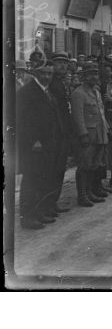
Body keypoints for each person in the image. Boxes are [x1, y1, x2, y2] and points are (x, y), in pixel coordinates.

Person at [16, 62, 64, 229]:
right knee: (31, 181)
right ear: (36, 73)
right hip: (33, 147)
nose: (46, 77)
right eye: (43, 73)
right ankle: (27, 217)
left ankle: (39, 212)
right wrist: (33, 140)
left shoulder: (46, 91)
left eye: (49, 74)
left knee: (43, 179)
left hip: (48, 144)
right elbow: (21, 121)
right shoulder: (27, 92)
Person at [71, 61, 109, 207]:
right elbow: (78, 117)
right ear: (84, 76)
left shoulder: (96, 91)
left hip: (99, 133)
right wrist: (83, 134)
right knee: (84, 166)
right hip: (87, 135)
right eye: (90, 74)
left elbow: (101, 113)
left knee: (95, 164)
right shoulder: (78, 94)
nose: (94, 77)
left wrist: (106, 129)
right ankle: (82, 195)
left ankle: (91, 192)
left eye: (95, 74)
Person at [46, 51, 73, 217]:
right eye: (59, 63)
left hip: (63, 131)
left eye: (65, 63)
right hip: (55, 133)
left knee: (59, 170)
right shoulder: (52, 83)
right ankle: (48, 204)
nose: (63, 66)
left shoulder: (62, 83)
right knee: (53, 170)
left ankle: (53, 203)